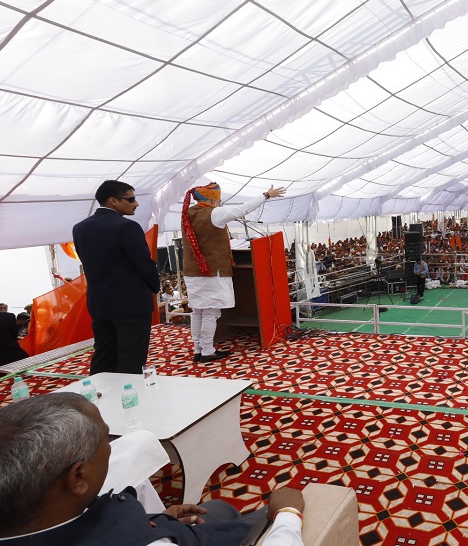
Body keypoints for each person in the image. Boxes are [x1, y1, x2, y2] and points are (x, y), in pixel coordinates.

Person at [0, 392, 306, 545]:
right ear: (78, 477)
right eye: (106, 438)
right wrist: (288, 516)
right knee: (257, 515)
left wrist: (154, 519)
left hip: (155, 525)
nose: (111, 445)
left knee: (218, 509)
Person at [182, 183, 286, 363]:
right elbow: (243, 209)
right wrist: (266, 195)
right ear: (213, 198)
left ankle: (198, 349)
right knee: (210, 313)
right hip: (211, 271)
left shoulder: (188, 213)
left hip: (192, 270)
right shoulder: (214, 213)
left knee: (197, 311)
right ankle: (207, 350)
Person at [72, 180, 161, 375]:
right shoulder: (126, 227)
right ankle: (128, 399)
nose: (136, 203)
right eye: (130, 199)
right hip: (131, 304)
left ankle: (97, 398)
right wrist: (155, 286)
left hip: (99, 303)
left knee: (104, 355)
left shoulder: (80, 228)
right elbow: (143, 264)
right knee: (131, 357)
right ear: (113, 201)